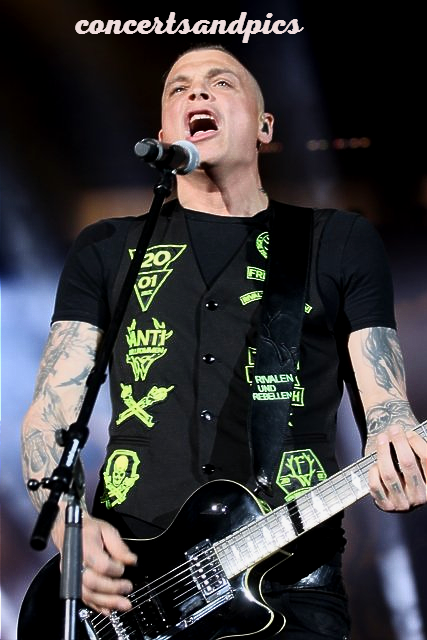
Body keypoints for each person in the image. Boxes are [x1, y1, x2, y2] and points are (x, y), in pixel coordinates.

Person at [20, 43, 426, 640]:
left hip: (291, 584)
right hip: (127, 592)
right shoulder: (107, 248)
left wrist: (397, 440)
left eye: (221, 82)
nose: (197, 91)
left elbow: (387, 405)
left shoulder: (337, 241)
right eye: (178, 87)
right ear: (164, 133)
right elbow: (51, 411)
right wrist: (67, 526)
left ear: (264, 126)